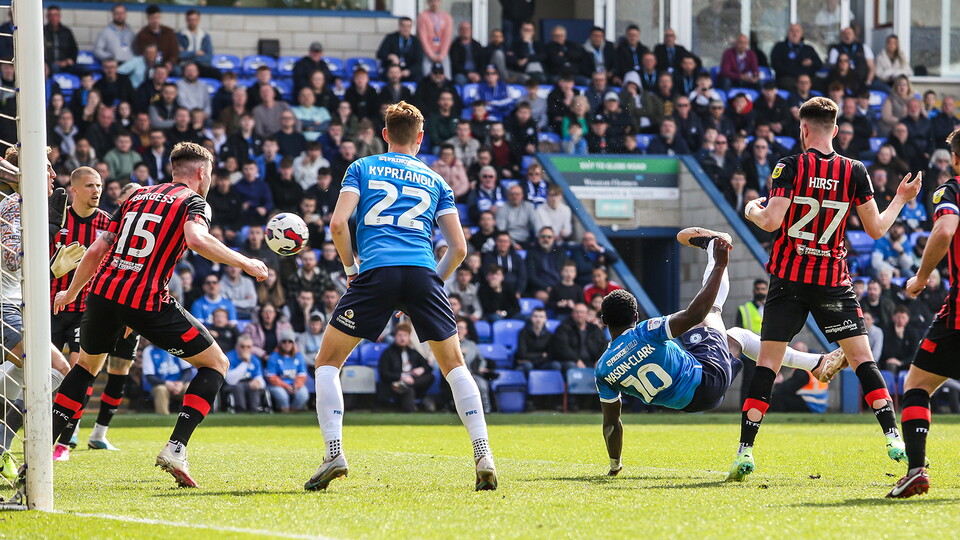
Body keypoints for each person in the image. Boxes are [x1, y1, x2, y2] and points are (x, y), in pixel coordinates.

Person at [304, 101, 497, 491]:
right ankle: (483, 452)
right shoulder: (438, 181)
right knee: (455, 366)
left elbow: (338, 223)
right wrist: (434, 285)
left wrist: (351, 271)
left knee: (327, 362)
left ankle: (334, 451)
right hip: (424, 273)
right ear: (421, 139)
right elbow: (458, 249)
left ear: (385, 134)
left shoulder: (362, 168)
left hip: (376, 271)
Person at [51, 143, 268, 488]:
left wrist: (72, 292)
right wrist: (246, 262)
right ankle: (176, 448)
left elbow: (97, 248)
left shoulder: (139, 196)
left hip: (104, 293)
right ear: (201, 173)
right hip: (146, 300)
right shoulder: (194, 202)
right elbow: (196, 240)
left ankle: (38, 450)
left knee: (85, 369)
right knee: (216, 364)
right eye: (209, 173)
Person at [733, 97, 922, 482]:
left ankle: (745, 451)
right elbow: (876, 230)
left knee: (768, 364)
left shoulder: (789, 166)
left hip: (789, 278)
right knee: (862, 360)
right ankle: (893, 439)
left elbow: (770, 222)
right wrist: (901, 198)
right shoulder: (854, 170)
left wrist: (751, 208)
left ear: (804, 130)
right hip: (832, 281)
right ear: (835, 130)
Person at [598, 232, 842, 477]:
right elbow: (694, 313)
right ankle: (714, 247)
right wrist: (720, 264)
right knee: (708, 313)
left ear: (603, 321)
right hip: (706, 376)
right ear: (636, 316)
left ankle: (816, 363)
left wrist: (614, 465)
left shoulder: (603, 369)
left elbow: (611, 425)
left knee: (738, 337)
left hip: (695, 403)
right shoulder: (644, 332)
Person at [893, 129, 960, 497]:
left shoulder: (951, 190)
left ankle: (916, 470)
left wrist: (920, 277)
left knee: (917, 385)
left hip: (959, 313)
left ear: (954, 158)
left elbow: (945, 229)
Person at [377, 323, 436, 413]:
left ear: (409, 337)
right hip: (395, 383)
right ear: (395, 337)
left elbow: (428, 367)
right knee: (408, 389)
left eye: (405, 335)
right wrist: (401, 377)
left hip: (413, 381)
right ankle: (411, 409)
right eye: (400, 335)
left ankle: (408, 386)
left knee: (430, 376)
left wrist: (421, 369)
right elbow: (384, 373)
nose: (402, 338)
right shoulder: (388, 353)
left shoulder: (413, 352)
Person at [265, 331, 309, 412]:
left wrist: (296, 385)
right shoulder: (273, 357)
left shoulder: (298, 356)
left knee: (303, 394)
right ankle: (284, 410)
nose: (287, 344)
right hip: (278, 385)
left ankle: (294, 411)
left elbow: (302, 374)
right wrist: (285, 386)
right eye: (284, 341)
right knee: (282, 395)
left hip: (294, 384)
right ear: (280, 343)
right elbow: (271, 377)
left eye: (290, 341)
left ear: (293, 343)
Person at [769, 24, 823, 90]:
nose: (794, 33)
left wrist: (811, 62)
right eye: (792, 31)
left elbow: (819, 64)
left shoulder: (808, 48)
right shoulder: (779, 47)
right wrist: (796, 71)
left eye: (797, 31)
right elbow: (775, 65)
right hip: (788, 78)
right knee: (787, 83)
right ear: (787, 33)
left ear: (801, 34)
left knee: (820, 83)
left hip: (807, 78)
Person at [224, 335, 265, 413]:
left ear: (252, 348)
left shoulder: (255, 359)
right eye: (242, 346)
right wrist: (245, 362)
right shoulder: (229, 357)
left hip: (248, 382)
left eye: (248, 347)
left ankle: (255, 410)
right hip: (233, 385)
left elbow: (259, 377)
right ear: (237, 347)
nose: (245, 349)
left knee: (253, 386)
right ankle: (240, 410)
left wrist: (257, 381)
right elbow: (231, 381)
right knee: (238, 387)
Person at [134, 4, 179, 72]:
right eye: (152, 18)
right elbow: (142, 53)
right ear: (148, 18)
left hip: (167, 62)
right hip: (150, 64)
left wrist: (170, 62)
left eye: (157, 17)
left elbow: (175, 51)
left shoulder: (169, 32)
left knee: (177, 71)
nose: (155, 20)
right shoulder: (142, 34)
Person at [515, 307, 558, 375]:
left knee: (555, 365)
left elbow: (550, 355)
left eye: (541, 317)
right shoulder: (523, 333)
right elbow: (522, 354)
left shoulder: (549, 335)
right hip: (527, 365)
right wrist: (541, 355)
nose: (538, 319)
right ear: (531, 318)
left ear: (545, 319)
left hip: (541, 364)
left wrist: (532, 359)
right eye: (535, 316)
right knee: (528, 366)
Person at [417, 0, 454, 79]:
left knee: (446, 77)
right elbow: (423, 37)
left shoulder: (447, 17)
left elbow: (447, 38)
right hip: (428, 53)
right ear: (428, 2)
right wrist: (431, 55)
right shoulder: (423, 16)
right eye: (432, 1)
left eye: (437, 1)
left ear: (440, 2)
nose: (434, 3)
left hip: (442, 53)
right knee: (427, 76)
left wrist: (442, 55)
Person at [177, 9, 216, 78]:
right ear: (186, 20)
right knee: (177, 71)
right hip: (185, 65)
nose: (193, 22)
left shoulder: (205, 36)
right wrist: (195, 53)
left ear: (199, 20)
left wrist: (191, 58)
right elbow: (180, 55)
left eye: (195, 20)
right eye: (190, 20)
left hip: (201, 65)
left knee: (216, 73)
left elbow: (209, 56)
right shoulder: (179, 36)